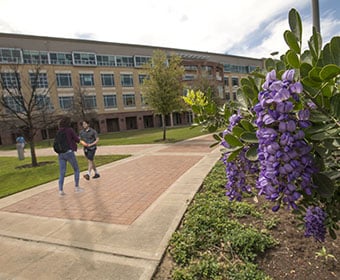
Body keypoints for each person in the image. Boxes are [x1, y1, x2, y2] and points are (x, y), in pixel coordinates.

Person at [56, 117, 83, 196]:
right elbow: (76, 139)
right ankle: (77, 187)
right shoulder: (69, 130)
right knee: (76, 169)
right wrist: (79, 139)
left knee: (62, 172)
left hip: (61, 154)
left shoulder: (58, 132)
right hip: (69, 153)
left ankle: (60, 190)